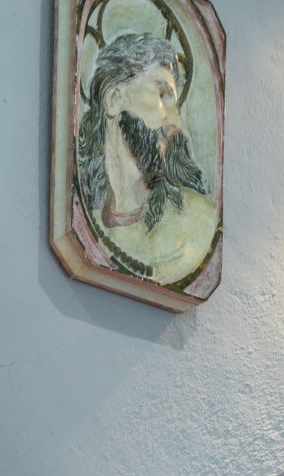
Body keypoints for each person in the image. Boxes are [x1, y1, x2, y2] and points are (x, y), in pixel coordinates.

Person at [75, 30, 219, 286]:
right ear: (114, 99)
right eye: (162, 94)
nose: (175, 122)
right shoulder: (87, 218)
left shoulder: (196, 221)